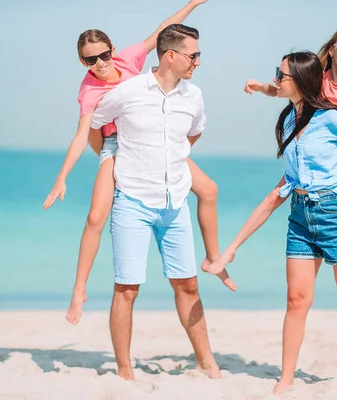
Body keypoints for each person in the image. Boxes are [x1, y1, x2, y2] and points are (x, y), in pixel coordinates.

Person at [42, 0, 236, 325]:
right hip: (116, 145)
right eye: (92, 59)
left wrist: (192, 4)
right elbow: (82, 134)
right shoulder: (89, 89)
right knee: (95, 216)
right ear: (82, 61)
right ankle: (79, 289)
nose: (101, 63)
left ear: (112, 50)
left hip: (154, 143)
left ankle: (213, 257)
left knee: (209, 190)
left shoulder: (128, 57)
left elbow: (163, 33)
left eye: (104, 54)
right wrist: (62, 177)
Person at [208, 52, 337, 394]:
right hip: (300, 215)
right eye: (277, 71)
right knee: (296, 299)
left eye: (282, 74)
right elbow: (281, 187)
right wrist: (229, 251)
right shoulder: (290, 119)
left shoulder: (335, 118)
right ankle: (287, 377)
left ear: (302, 81)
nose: (276, 78)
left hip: (335, 213)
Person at [89, 23, 221, 380]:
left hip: (175, 203)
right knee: (127, 289)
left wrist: (171, 160)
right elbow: (96, 125)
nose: (197, 62)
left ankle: (206, 361)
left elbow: (194, 131)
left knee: (188, 285)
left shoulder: (194, 96)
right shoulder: (127, 91)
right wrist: (111, 162)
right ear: (170, 56)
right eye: (193, 55)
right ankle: (125, 369)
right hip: (132, 202)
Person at [242, 27, 337, 313]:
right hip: (323, 153)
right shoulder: (319, 80)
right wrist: (259, 86)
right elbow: (285, 91)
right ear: (332, 48)